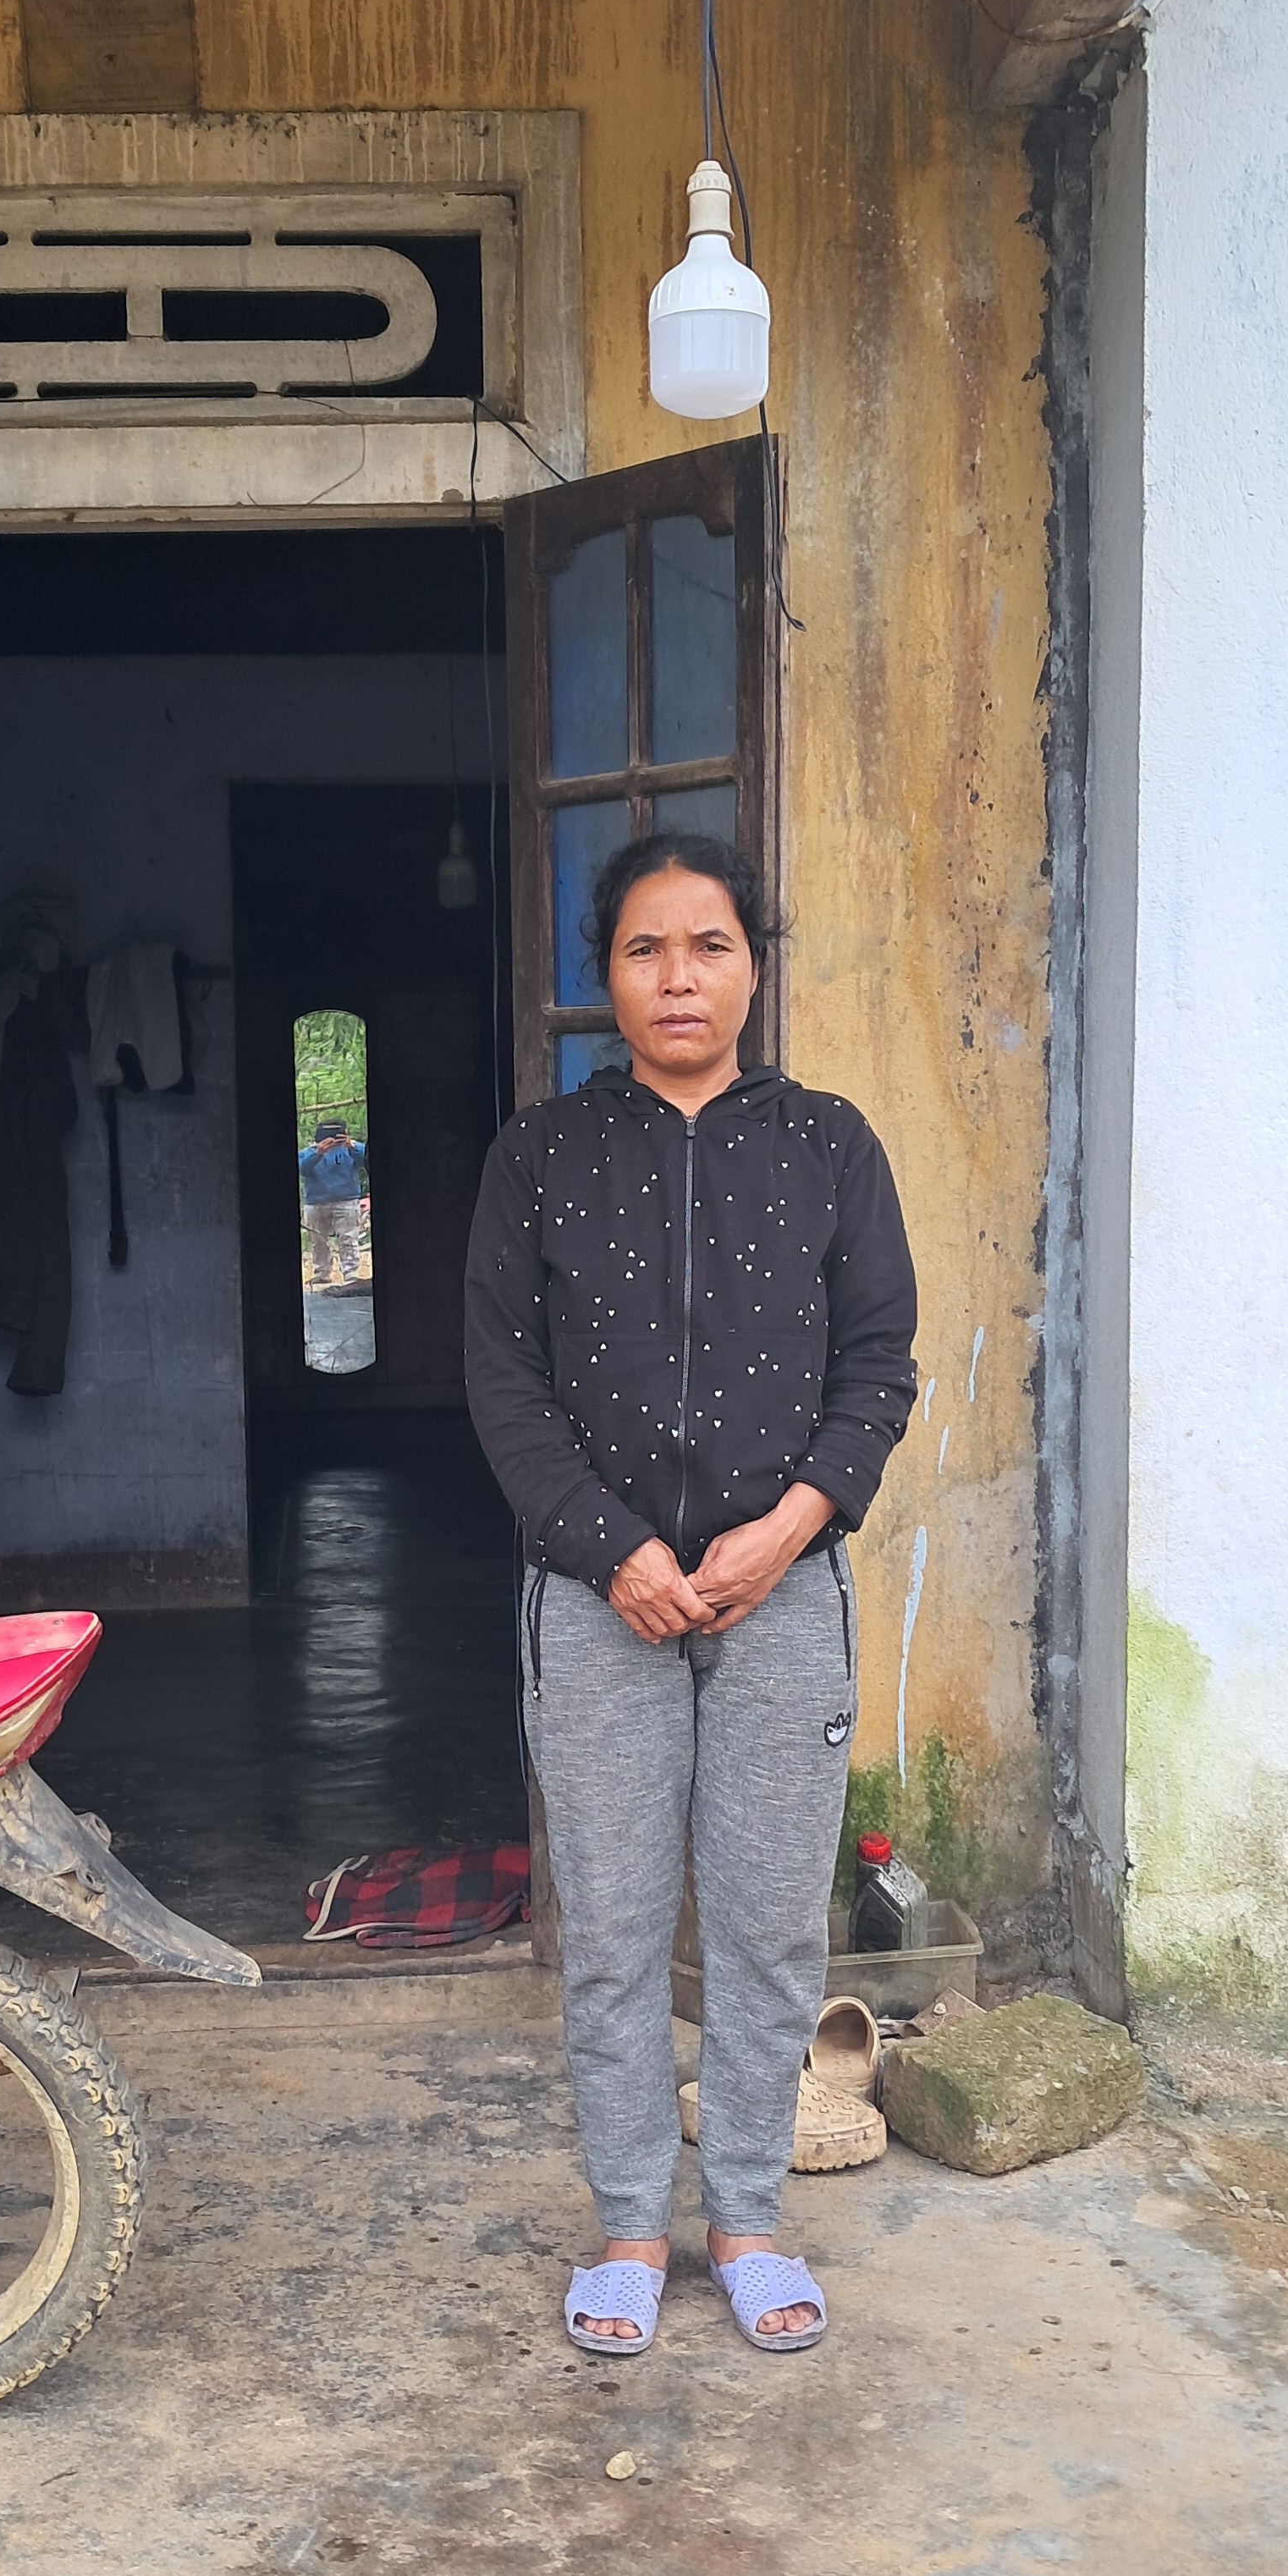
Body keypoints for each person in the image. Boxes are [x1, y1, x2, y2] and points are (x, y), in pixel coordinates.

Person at [464, 837, 916, 2358]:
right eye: (645, 948)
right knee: (608, 1928)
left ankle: (749, 2219)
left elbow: (879, 1368)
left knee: (770, 1925)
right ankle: (626, 2227)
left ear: (753, 968)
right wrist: (613, 1551)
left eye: (709, 945)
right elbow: (504, 1384)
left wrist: (784, 1532)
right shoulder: (541, 1156)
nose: (678, 977)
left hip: (782, 1595)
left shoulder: (830, 1146)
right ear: (606, 975)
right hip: (600, 1602)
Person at [299, 1115, 369, 1286]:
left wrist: (351, 1146)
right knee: (318, 1240)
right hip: (315, 1202)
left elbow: (367, 1161)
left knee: (348, 1239)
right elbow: (302, 1170)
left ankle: (350, 1274)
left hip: (346, 1200)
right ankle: (322, 1273)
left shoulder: (353, 1149)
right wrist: (318, 1153)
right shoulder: (308, 1152)